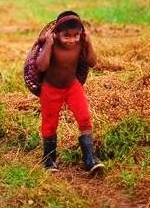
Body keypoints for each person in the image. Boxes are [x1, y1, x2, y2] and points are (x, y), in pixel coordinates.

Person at [36, 11, 104, 174]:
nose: (72, 40)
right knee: (50, 123)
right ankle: (49, 160)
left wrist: (88, 42)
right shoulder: (51, 45)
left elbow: (93, 63)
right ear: (56, 34)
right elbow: (41, 66)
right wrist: (48, 45)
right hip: (51, 89)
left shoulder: (81, 43)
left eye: (76, 35)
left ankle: (89, 159)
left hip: (72, 87)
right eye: (66, 36)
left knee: (84, 118)